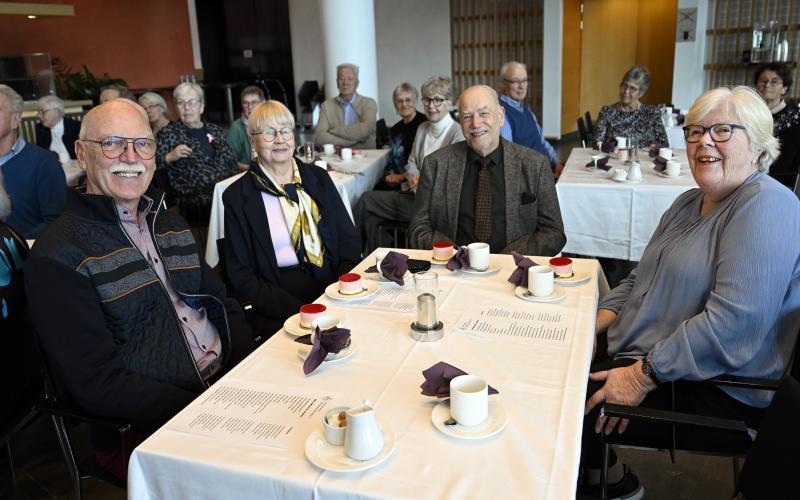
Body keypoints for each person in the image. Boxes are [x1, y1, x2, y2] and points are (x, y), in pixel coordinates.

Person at [580, 86, 800, 498]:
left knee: (568, 401)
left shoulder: (768, 206)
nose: (703, 142)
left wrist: (642, 375)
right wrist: (594, 323)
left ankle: (603, 481)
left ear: (757, 145)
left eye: (721, 131)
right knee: (562, 364)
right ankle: (607, 478)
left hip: (720, 385)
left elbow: (732, 327)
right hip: (662, 358)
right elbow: (638, 279)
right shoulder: (687, 201)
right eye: (695, 131)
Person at [24, 99, 254, 478]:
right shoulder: (59, 255)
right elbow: (98, 382)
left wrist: (248, 374)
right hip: (148, 429)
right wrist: (202, 407)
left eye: (143, 144)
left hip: (224, 387)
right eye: (113, 143)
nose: (131, 157)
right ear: (82, 154)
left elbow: (223, 304)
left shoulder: (170, 222)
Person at [222, 100, 361, 335]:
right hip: (278, 303)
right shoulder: (237, 197)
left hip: (333, 289)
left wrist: (341, 291)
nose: (279, 139)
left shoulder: (318, 178)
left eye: (285, 130)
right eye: (268, 132)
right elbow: (241, 275)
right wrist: (301, 311)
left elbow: (349, 241)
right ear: (252, 139)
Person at [409, 85, 565, 256]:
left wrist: (506, 259)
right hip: (453, 270)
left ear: (500, 116)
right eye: (467, 116)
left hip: (513, 271)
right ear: (460, 121)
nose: (476, 123)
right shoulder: (435, 164)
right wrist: (455, 257)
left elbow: (553, 233)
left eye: (484, 113)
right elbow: (418, 229)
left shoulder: (535, 165)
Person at [357, 76, 464, 254]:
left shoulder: (457, 133)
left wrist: (421, 182)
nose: (431, 105)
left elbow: (451, 177)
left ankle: (364, 259)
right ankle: (376, 261)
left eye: (437, 100)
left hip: (435, 206)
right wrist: (413, 177)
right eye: (427, 99)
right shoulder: (423, 128)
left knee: (368, 202)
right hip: (413, 196)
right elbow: (412, 162)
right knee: (370, 212)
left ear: (450, 103)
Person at [156, 82, 238, 225]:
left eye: (192, 102)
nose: (187, 108)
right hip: (193, 205)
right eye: (181, 103)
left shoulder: (215, 130)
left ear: (201, 106)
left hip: (226, 197)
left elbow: (232, 164)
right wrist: (169, 157)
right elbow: (152, 165)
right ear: (176, 107)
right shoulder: (169, 133)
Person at [0, 85, 66, 239]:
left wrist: (15, 247)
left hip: (25, 256)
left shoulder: (44, 164)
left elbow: (57, 222)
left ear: (15, 120)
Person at [498, 61, 562, 173]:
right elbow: (508, 156)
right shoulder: (502, 113)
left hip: (547, 168)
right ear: (503, 84)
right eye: (515, 81)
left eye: (524, 80)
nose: (521, 86)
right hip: (531, 176)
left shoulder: (527, 110)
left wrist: (557, 162)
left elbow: (542, 142)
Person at [594, 65, 668, 148]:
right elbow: (597, 142)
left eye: (632, 88)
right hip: (614, 159)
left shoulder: (652, 113)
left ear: (641, 93)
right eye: (624, 86)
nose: (626, 91)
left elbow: (664, 144)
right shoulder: (607, 112)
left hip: (644, 159)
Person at [314, 63, 377, 148]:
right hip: (336, 158)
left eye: (350, 79)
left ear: (357, 83)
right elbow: (319, 137)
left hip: (366, 156)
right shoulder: (327, 106)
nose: (345, 83)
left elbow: (365, 131)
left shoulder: (369, 104)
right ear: (337, 83)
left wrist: (336, 131)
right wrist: (350, 141)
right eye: (341, 79)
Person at [753, 63, 800, 179]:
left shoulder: (795, 121)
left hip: (777, 180)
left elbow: (786, 163)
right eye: (763, 81)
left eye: (774, 82)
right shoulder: (749, 115)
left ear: (784, 89)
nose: (767, 85)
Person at [378, 82, 426, 190]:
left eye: (408, 100)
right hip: (397, 181)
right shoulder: (395, 129)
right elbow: (391, 160)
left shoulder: (425, 125)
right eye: (399, 101)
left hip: (416, 183)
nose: (404, 104)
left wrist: (401, 177)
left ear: (415, 101)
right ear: (395, 105)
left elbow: (424, 163)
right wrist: (389, 176)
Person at [227, 85, 265, 169]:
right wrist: (251, 169)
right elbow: (229, 161)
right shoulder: (236, 128)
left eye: (254, 102)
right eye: (245, 103)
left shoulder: (270, 123)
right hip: (247, 173)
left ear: (262, 103)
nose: (250, 107)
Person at [35, 94, 81, 161]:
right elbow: (41, 155)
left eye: (43, 111)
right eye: (38, 112)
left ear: (56, 112)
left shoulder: (76, 127)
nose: (39, 115)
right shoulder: (40, 129)